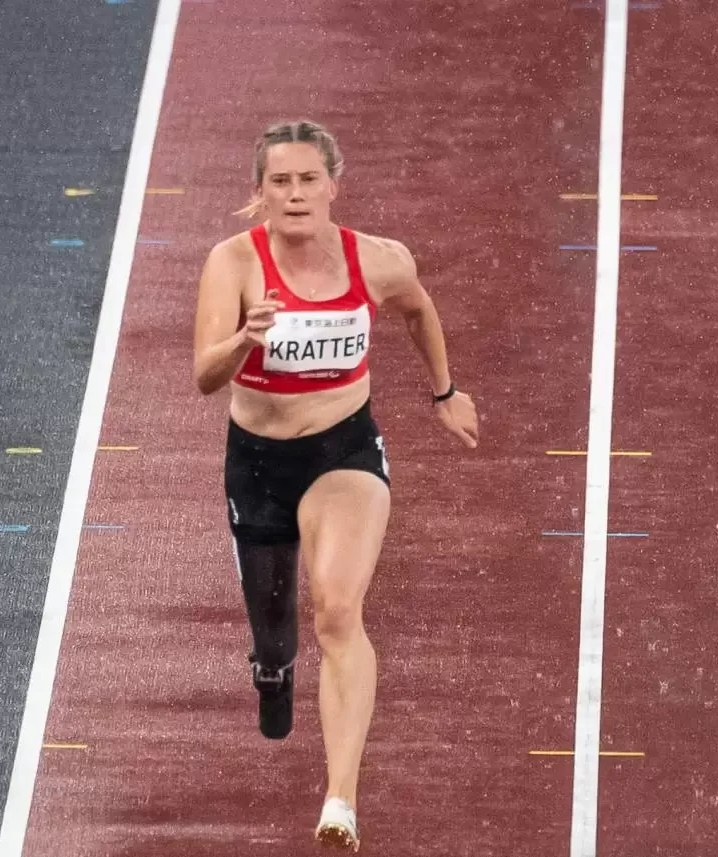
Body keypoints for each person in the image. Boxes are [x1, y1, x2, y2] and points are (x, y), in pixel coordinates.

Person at [191, 120, 478, 850]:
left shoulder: (377, 260)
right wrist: (244, 338)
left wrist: (445, 394)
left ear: (333, 186)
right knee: (277, 624)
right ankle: (271, 667)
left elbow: (417, 308)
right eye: (280, 181)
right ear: (259, 192)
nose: (294, 194)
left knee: (339, 609)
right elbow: (203, 376)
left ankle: (340, 800)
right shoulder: (233, 265)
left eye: (307, 179)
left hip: (341, 450)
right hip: (257, 460)